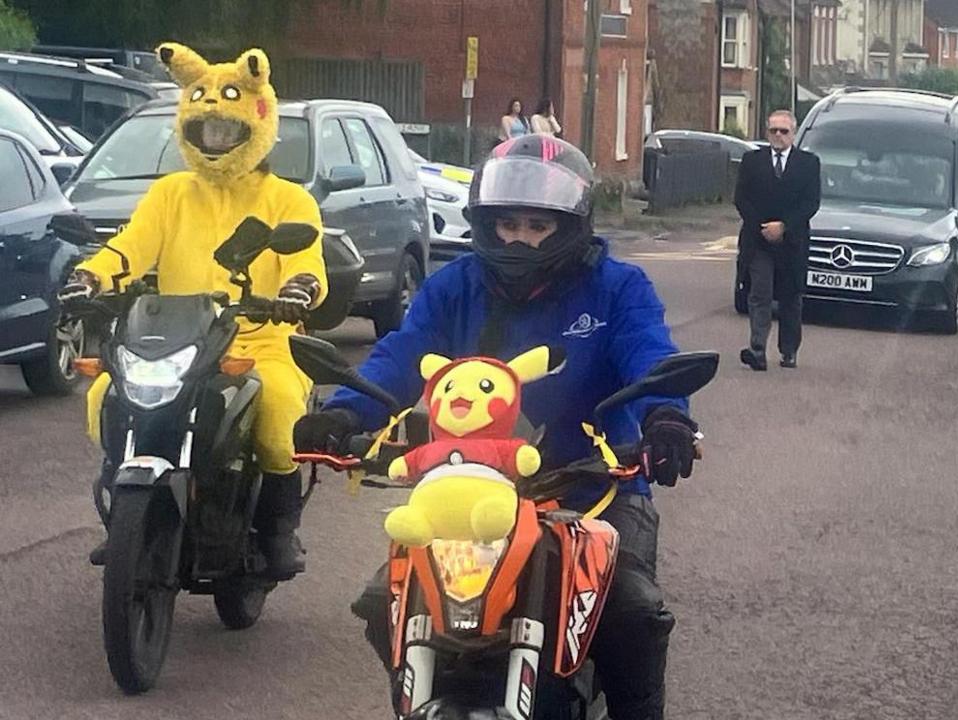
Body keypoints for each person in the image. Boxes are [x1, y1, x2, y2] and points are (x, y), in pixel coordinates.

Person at [293, 135, 700, 720]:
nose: (519, 238)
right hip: (471, 492)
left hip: (594, 489)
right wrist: (343, 413)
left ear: (571, 224)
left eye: (537, 225)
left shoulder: (617, 287)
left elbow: (651, 353)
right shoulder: (454, 285)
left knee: (631, 610)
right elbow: (402, 355)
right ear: (485, 223)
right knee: (387, 599)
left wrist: (666, 418)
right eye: (507, 223)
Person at [60, 43, 326, 578]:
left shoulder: (289, 200)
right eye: (206, 130)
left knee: (277, 417)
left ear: (257, 122)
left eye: (227, 131)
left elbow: (308, 259)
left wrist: (298, 289)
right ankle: (128, 520)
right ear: (188, 127)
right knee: (106, 396)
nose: (216, 140)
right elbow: (131, 245)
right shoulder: (170, 193)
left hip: (258, 343)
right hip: (174, 341)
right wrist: (91, 274)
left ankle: (277, 531)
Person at [734, 109, 820, 371]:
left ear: (793, 134)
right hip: (758, 240)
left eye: (784, 131)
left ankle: (789, 350)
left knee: (790, 297)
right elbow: (741, 198)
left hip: (792, 241)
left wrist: (783, 226)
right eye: (774, 131)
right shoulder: (751, 161)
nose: (778, 136)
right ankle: (757, 349)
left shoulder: (808, 163)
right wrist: (764, 227)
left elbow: (810, 202)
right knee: (760, 293)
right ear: (767, 132)